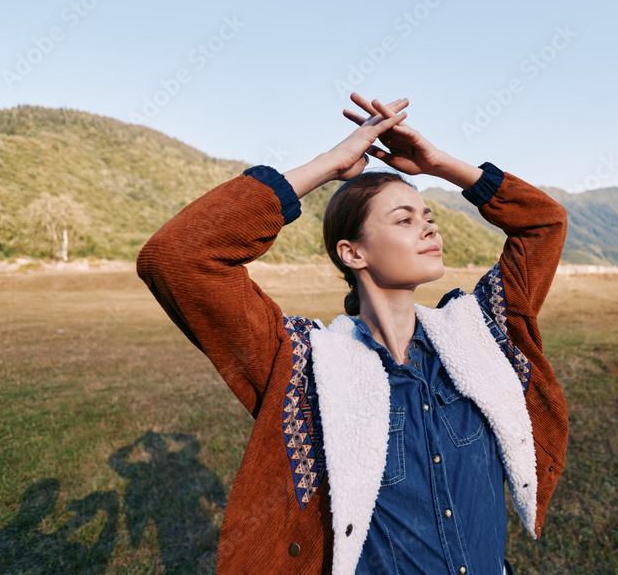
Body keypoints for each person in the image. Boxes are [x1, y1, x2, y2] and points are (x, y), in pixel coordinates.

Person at [136, 93, 569, 574]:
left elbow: (542, 223)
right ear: (353, 254)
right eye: (404, 220)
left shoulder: (482, 331)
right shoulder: (303, 366)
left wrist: (438, 164)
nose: (429, 229)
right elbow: (177, 257)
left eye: (429, 217)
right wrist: (327, 165)